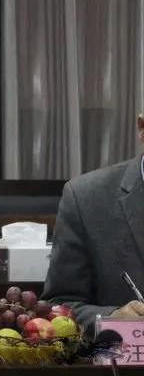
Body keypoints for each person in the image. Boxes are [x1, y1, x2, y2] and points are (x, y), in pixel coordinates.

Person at [42, 114, 144, 338]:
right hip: (123, 357)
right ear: (142, 128)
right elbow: (58, 305)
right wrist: (112, 319)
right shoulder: (86, 198)